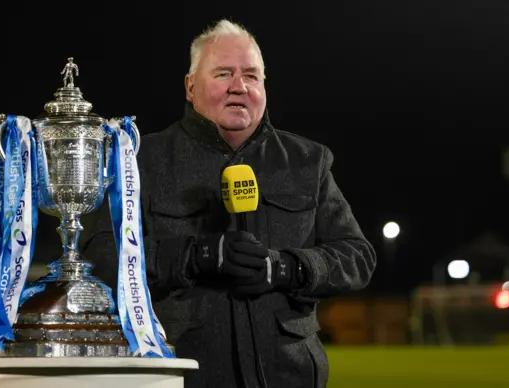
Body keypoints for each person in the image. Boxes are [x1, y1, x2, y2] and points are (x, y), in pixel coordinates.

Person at [84, 19, 376, 388]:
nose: (239, 86)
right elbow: (100, 259)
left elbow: (357, 257)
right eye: (223, 74)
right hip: (179, 374)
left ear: (264, 87)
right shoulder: (140, 160)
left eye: (251, 76)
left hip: (290, 377)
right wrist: (194, 256)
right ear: (190, 86)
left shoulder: (308, 161)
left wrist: (286, 268)